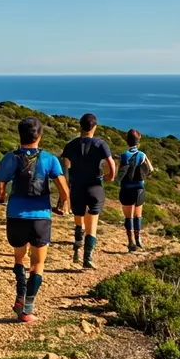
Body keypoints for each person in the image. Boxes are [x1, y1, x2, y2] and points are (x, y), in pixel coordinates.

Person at [0, 116, 69, 323]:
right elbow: (63, 188)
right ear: (40, 136)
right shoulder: (49, 159)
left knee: (20, 258)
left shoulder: (10, 157)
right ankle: (27, 307)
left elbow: (0, 185)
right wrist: (63, 204)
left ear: (20, 135)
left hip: (16, 215)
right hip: (40, 217)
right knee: (38, 264)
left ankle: (19, 295)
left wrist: (0, 198)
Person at [60, 113, 116, 269]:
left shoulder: (71, 145)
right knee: (92, 223)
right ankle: (88, 257)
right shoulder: (101, 144)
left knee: (79, 221)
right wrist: (109, 177)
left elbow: (65, 166)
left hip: (77, 186)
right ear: (95, 127)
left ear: (80, 126)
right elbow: (111, 163)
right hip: (95, 187)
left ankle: (77, 250)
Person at [118, 129, 154, 252]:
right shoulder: (142, 155)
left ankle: (131, 242)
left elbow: (120, 173)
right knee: (138, 215)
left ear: (127, 140)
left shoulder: (123, 156)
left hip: (126, 188)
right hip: (139, 188)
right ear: (139, 141)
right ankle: (139, 240)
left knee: (128, 217)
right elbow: (151, 169)